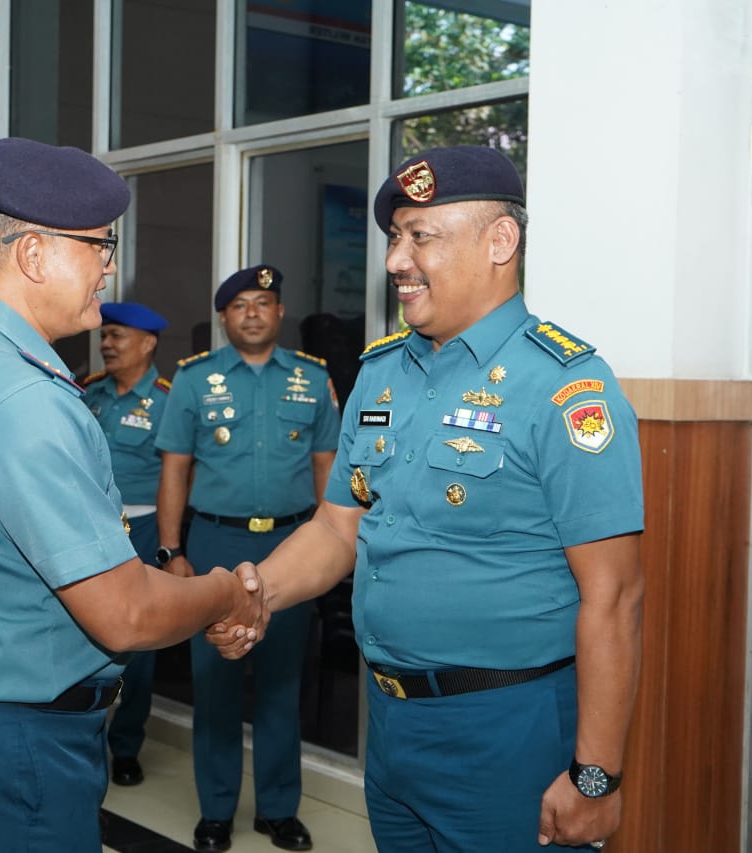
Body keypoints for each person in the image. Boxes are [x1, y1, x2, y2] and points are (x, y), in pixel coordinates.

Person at [206, 146, 646, 852]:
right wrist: (258, 593)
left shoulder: (567, 388)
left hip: (510, 729)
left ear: (500, 241)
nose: (395, 261)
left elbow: (615, 596)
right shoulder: (380, 373)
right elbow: (337, 527)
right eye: (393, 237)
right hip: (390, 725)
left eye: (420, 237)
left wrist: (596, 777)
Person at [0, 137, 265, 852]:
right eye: (99, 245)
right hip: (17, 753)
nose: (109, 266)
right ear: (34, 254)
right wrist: (224, 594)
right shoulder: (21, 397)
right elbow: (123, 613)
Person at [154, 265, 340, 852]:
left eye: (263, 302)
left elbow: (327, 470)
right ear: (223, 318)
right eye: (240, 305)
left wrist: (331, 545)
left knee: (283, 681)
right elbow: (175, 470)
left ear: (280, 312)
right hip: (216, 545)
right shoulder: (193, 379)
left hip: (292, 544)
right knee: (216, 681)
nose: (252, 313)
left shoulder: (313, 379)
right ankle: (216, 810)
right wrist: (172, 551)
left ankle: (279, 810)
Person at [80, 301, 171, 787]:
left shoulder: (167, 400)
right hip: (88, 527)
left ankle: (127, 744)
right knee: (87, 636)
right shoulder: (88, 391)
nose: (107, 345)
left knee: (139, 645)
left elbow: (179, 475)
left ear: (148, 343)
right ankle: (85, 740)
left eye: (117, 336)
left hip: (143, 529)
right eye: (104, 336)